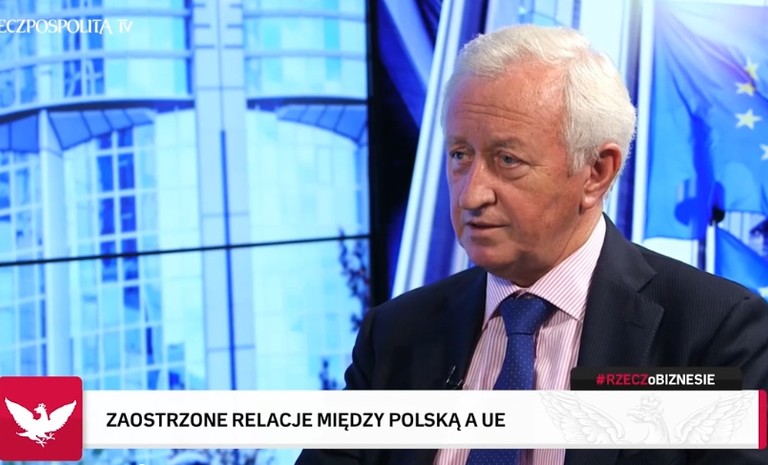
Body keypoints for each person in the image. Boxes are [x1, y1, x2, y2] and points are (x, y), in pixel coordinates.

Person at [295, 24, 768, 465]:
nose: (471, 195)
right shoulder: (395, 334)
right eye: (460, 155)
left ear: (596, 172)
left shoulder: (717, 333)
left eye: (507, 160)